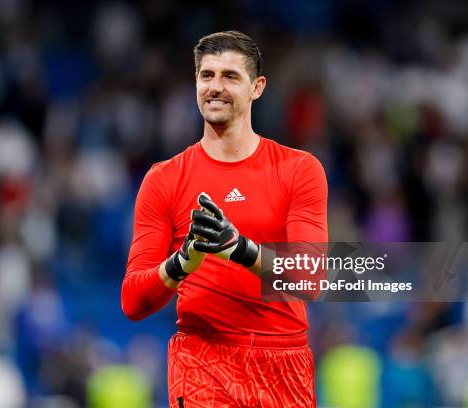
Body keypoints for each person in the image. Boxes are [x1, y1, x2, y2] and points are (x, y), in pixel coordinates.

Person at [122, 30, 328, 408]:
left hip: (283, 363)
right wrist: (182, 263)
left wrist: (239, 248)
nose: (215, 87)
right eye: (207, 75)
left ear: (257, 87)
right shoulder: (163, 179)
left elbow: (310, 279)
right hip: (202, 361)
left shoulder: (299, 169)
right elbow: (133, 301)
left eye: (230, 76)